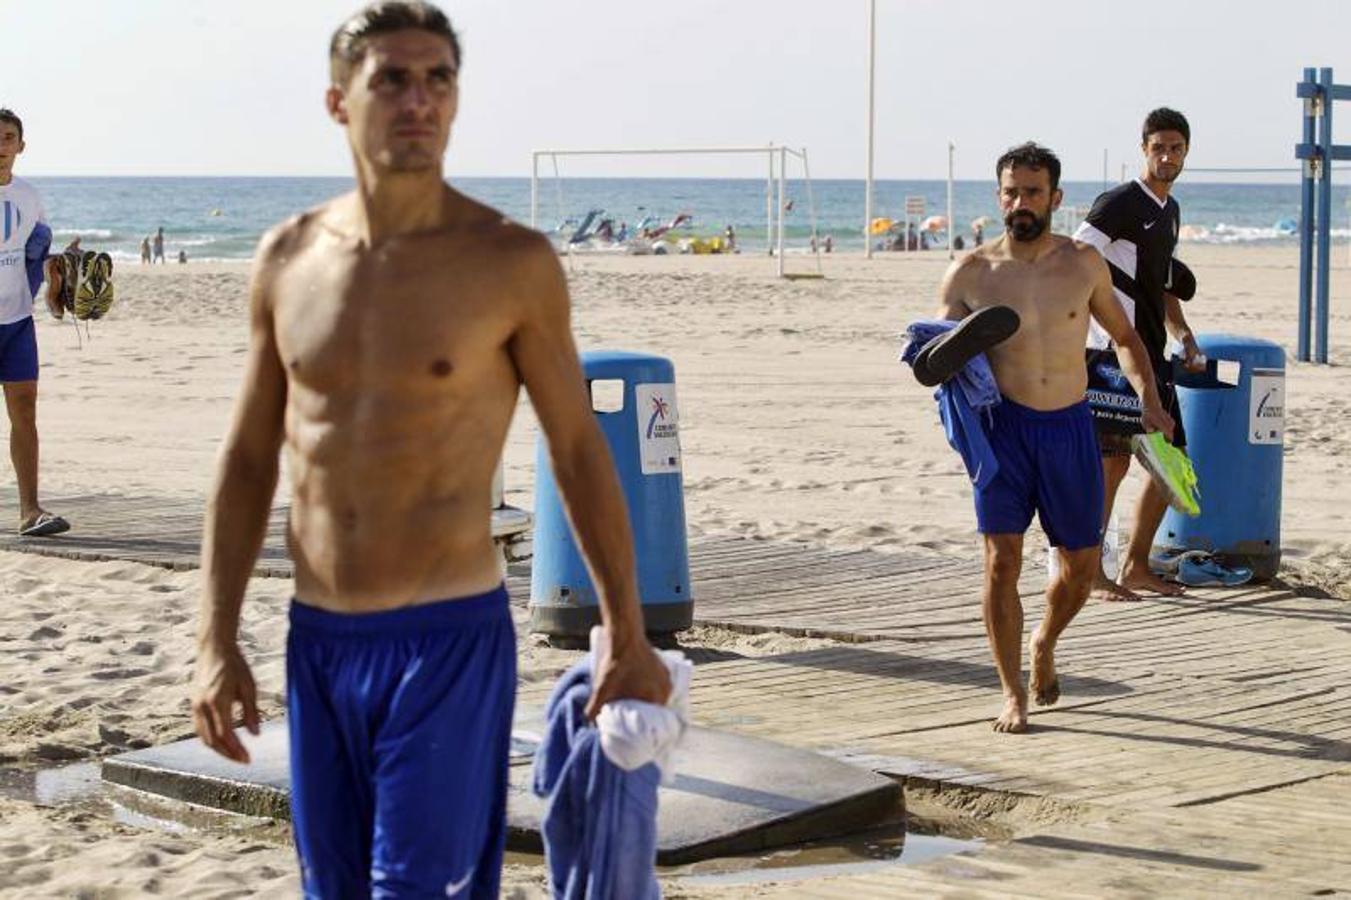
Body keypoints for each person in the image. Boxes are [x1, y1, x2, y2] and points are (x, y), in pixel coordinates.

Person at [188, 4, 671, 897]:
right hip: (319, 638)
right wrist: (215, 639)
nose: (419, 100)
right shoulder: (286, 258)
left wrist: (625, 632)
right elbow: (251, 461)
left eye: (438, 79)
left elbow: (574, 447)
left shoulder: (507, 261)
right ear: (340, 102)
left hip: (446, 639)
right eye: (392, 80)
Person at [933, 143, 1170, 733]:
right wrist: (932, 357)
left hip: (1068, 426)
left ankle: (1045, 640)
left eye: (1033, 192)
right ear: (998, 197)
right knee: (1001, 562)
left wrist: (1149, 399)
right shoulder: (969, 273)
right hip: (1002, 432)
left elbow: (1124, 338)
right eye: (1011, 191)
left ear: (1055, 199)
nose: (1021, 202)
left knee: (1082, 568)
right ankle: (1011, 691)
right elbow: (933, 352)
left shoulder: (1083, 265)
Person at [1072, 108, 1203, 601]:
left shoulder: (1169, 210)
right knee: (1112, 466)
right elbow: (1075, 256)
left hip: (1152, 353)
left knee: (1172, 466)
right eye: (1158, 147)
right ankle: (1093, 572)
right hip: (1111, 354)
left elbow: (1164, 282)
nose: (1167, 156)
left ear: (1186, 152)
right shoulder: (1121, 202)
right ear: (1144, 149)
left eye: (1175, 148)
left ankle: (1135, 565)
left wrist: (1183, 334)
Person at [0, 109, 70, 538]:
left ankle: (30, 511)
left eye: (9, 137)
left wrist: (57, 283)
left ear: (21, 146)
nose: (1, 145)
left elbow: (39, 256)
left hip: (17, 320)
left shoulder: (29, 198)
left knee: (25, 410)